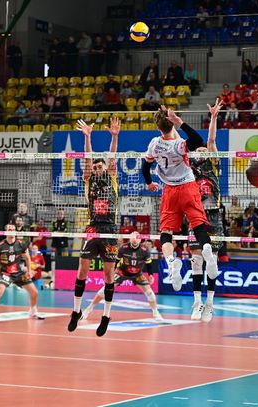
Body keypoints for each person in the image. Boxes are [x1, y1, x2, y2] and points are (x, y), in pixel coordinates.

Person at [141, 106, 218, 293]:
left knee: (166, 232)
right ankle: (207, 249)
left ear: (158, 128)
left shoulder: (154, 144)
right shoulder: (179, 145)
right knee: (198, 226)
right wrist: (179, 121)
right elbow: (197, 140)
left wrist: (149, 183)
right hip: (188, 187)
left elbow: (145, 168)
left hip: (170, 191)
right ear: (171, 125)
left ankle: (170, 262)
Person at [67, 117, 121, 337]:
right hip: (92, 228)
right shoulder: (89, 179)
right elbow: (87, 159)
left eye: (100, 166)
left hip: (110, 230)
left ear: (106, 168)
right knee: (82, 270)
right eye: (96, 167)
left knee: (109, 275)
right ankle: (76, 311)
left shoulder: (112, 178)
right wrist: (87, 137)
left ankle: (106, 315)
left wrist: (114, 136)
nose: (97, 168)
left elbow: (113, 156)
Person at [188, 99, 226, 322]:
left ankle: (210, 303)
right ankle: (197, 303)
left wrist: (213, 117)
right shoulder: (189, 168)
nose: (202, 151)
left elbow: (211, 140)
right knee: (196, 259)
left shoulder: (213, 164)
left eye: (204, 150)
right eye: (198, 150)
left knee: (212, 259)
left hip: (214, 214)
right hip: (196, 215)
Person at [83, 232, 163, 322]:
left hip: (137, 274)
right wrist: (112, 272)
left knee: (150, 293)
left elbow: (149, 264)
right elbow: (116, 261)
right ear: (130, 238)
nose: (135, 239)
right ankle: (89, 309)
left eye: (137, 237)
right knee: (104, 290)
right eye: (133, 237)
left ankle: (156, 313)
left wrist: (151, 275)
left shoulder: (145, 250)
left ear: (140, 240)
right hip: (122, 272)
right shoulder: (123, 248)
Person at [0, 224, 44, 320]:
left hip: (19, 273)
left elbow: (27, 258)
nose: (11, 231)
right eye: (9, 229)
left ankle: (33, 312)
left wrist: (29, 271)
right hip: (6, 273)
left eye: (13, 229)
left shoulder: (21, 244)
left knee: (34, 293)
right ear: (6, 232)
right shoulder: (0, 246)